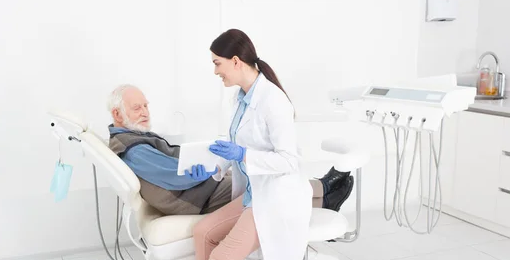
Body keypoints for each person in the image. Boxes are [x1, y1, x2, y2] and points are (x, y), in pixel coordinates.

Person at [126, 29, 350, 260]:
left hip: (275, 200)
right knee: (203, 232)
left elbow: (288, 161)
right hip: (253, 194)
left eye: (217, 63)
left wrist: (245, 154)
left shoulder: (274, 102)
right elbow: (232, 146)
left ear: (235, 61)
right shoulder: (240, 98)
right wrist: (213, 168)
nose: (215, 70)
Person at [107, 85, 354, 216]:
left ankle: (324, 193)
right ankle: (324, 194)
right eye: (137, 108)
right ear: (117, 114)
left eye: (146, 106)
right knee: (262, 182)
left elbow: (172, 166)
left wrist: (209, 158)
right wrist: (207, 170)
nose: (145, 112)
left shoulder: (132, 137)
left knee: (252, 170)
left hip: (193, 191)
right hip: (193, 198)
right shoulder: (133, 149)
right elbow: (175, 175)